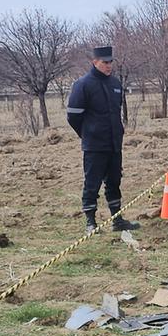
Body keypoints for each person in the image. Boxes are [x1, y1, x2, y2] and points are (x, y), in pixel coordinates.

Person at [65, 45, 138, 233]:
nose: (108, 65)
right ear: (95, 62)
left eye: (110, 62)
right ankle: (90, 222)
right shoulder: (83, 84)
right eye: (105, 62)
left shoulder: (115, 84)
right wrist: (88, 133)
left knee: (114, 182)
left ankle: (117, 219)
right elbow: (73, 116)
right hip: (94, 146)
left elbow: (117, 111)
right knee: (92, 184)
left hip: (114, 144)